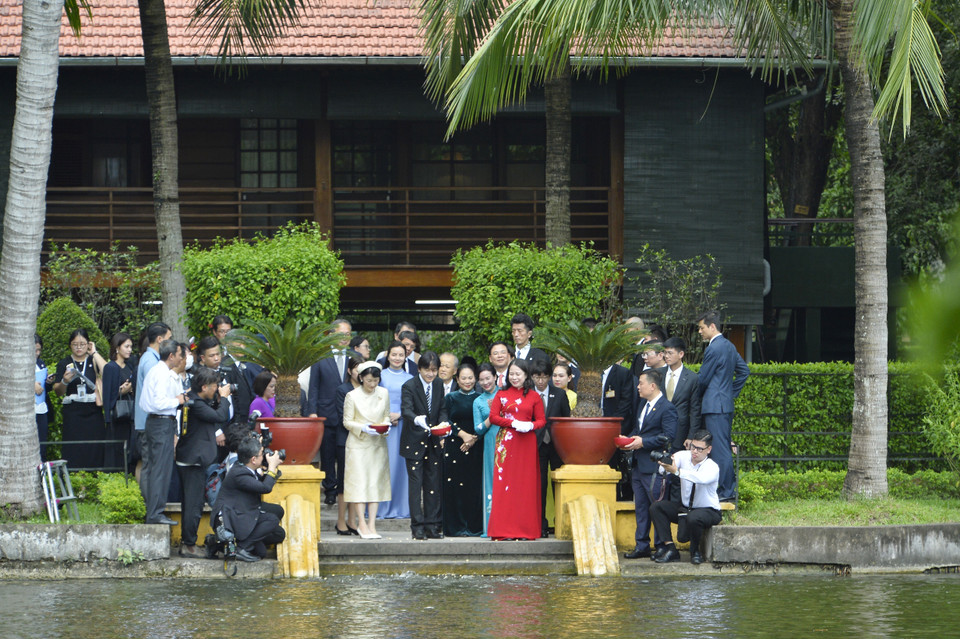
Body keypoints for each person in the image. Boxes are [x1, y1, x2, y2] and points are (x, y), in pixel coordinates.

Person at [620, 369, 677, 559]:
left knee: (656, 507)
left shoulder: (667, 408)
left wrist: (643, 442)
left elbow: (668, 436)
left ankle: (661, 545)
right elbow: (639, 430)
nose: (638, 387)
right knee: (641, 507)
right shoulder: (643, 405)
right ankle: (642, 545)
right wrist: (627, 440)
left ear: (652, 386)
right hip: (638, 464)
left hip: (654, 465)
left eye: (641, 383)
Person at [487, 358, 546, 540]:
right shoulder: (501, 394)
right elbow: (493, 417)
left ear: (526, 375)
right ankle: (503, 530)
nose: (514, 377)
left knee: (525, 485)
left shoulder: (534, 396)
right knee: (505, 484)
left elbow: (542, 420)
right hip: (506, 442)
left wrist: (530, 426)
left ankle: (525, 530)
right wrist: (512, 423)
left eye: (518, 374)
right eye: (511, 374)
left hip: (526, 443)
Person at [175, 366, 230, 558]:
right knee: (193, 505)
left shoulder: (194, 399)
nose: (217, 389)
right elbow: (220, 416)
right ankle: (188, 545)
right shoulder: (196, 404)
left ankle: (188, 542)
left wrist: (218, 399)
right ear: (204, 387)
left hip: (193, 459)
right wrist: (224, 398)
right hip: (192, 461)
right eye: (215, 386)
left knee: (193, 504)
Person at [697, 310, 750, 501]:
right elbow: (744, 371)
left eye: (702, 328)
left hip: (714, 406)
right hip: (723, 405)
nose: (700, 332)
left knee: (719, 450)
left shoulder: (713, 348)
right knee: (723, 447)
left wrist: (694, 398)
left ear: (712, 326)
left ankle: (726, 492)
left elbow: (703, 379)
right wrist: (729, 393)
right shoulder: (729, 346)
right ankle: (725, 490)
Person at [650, 430, 722, 564]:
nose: (695, 451)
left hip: (708, 510)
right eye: (693, 447)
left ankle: (695, 552)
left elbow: (700, 478)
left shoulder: (712, 467)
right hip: (685, 508)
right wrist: (666, 463)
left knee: (694, 517)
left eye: (700, 449)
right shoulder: (683, 455)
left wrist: (677, 471)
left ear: (709, 449)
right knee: (657, 507)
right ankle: (671, 549)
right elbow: (662, 471)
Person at [400, 350, 449, 540]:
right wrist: (416, 419)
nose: (431, 374)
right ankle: (417, 526)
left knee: (432, 484)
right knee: (415, 485)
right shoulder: (409, 385)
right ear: (419, 369)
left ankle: (431, 525)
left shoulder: (438, 384)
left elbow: (442, 408)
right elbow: (406, 410)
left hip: (433, 441)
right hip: (414, 441)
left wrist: (443, 424)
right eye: (427, 370)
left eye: (434, 370)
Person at [342, 361, 392, 539]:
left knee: (375, 483)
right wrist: (363, 427)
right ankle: (361, 524)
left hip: (377, 444)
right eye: (369, 380)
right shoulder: (352, 396)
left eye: (376, 381)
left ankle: (372, 524)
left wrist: (385, 426)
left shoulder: (383, 393)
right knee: (359, 483)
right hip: (358, 445)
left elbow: (386, 415)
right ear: (361, 378)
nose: (372, 384)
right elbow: (347, 421)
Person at [216, 434, 285, 562]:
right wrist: (271, 467)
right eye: (261, 454)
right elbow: (265, 488)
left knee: (278, 534)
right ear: (253, 459)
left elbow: (260, 483)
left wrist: (272, 467)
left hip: (243, 510)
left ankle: (221, 544)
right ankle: (240, 548)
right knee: (272, 520)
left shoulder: (245, 467)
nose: (264, 456)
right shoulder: (239, 473)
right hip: (233, 516)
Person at [138, 339, 186, 525]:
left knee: (154, 468)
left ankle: (154, 511)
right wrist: (177, 400)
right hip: (161, 422)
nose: (181, 359)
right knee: (160, 470)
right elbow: (158, 403)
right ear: (171, 356)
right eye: (180, 355)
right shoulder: (163, 373)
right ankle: (155, 513)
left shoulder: (155, 370)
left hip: (154, 422)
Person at [306, 317, 353, 505]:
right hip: (325, 413)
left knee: (344, 455)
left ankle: (343, 488)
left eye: (348, 334)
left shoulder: (354, 357)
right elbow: (313, 387)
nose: (345, 338)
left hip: (349, 414)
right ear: (331, 335)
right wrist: (312, 411)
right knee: (327, 454)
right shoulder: (320, 356)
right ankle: (330, 490)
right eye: (341, 334)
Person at [53, 328, 107, 470]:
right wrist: (64, 381)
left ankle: (94, 477)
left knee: (94, 446)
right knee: (74, 447)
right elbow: (58, 391)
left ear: (88, 344)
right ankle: (75, 477)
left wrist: (94, 352)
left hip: (93, 411)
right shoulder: (64, 363)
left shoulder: (93, 360)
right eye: (75, 344)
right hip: (73, 412)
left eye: (82, 344)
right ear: (70, 345)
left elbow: (108, 371)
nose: (79, 348)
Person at [441, 362, 482, 536]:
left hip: (476, 446)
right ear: (457, 379)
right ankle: (455, 527)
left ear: (475, 379)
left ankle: (474, 527)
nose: (467, 381)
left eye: (470, 378)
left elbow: (487, 419)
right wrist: (462, 435)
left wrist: (473, 438)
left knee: (474, 487)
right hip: (455, 445)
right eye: (463, 378)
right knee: (454, 487)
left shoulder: (481, 397)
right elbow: (445, 419)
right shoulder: (450, 398)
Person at [531, 358, 570, 537]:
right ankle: (540, 525)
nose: (541, 381)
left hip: (556, 445)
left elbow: (566, 421)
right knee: (539, 485)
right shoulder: (528, 394)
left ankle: (561, 522)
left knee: (558, 483)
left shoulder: (559, 394)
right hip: (535, 445)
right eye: (537, 377)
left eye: (544, 377)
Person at [378, 341, 413, 519]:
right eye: (394, 354)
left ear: (406, 357)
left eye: (401, 355)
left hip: (402, 426)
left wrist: (399, 414)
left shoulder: (410, 378)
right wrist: (386, 415)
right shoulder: (380, 376)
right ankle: (381, 508)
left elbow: (412, 403)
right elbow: (374, 399)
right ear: (388, 356)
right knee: (384, 466)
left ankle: (401, 507)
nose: (397, 358)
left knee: (401, 468)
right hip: (383, 428)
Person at [134, 322, 172, 463]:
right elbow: (155, 392)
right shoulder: (151, 361)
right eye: (169, 338)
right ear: (160, 339)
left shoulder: (152, 358)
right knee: (151, 464)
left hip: (149, 420)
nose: (171, 342)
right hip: (149, 421)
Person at [333, 356, 363, 535]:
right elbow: (342, 415)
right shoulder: (342, 390)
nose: (359, 373)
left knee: (357, 482)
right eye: (356, 369)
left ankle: (352, 520)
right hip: (345, 440)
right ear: (350, 371)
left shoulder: (369, 389)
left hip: (364, 442)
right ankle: (340, 521)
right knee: (344, 481)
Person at [660, 337, 702, 451]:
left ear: (681, 354)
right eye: (665, 352)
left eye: (670, 353)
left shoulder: (692, 378)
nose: (666, 356)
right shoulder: (658, 374)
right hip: (659, 429)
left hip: (680, 431)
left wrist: (691, 436)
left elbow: (695, 410)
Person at [102, 332, 136, 471]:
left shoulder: (130, 366)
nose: (129, 350)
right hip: (117, 416)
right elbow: (107, 395)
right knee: (116, 450)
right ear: (117, 348)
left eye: (131, 347)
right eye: (126, 346)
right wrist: (121, 391)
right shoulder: (110, 367)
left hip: (130, 414)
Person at [472, 362, 499, 536]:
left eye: (488, 378)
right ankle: (491, 526)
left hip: (508, 442)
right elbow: (478, 429)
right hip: (490, 444)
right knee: (491, 481)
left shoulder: (505, 395)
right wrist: (492, 415)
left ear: (495, 377)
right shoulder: (478, 401)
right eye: (481, 380)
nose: (485, 382)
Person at [34, 334, 54, 461]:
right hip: (28, 410)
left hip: (41, 409)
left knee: (42, 445)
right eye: (34, 350)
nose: (37, 353)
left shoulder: (40, 363)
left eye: (39, 350)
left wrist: (48, 382)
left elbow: (45, 390)